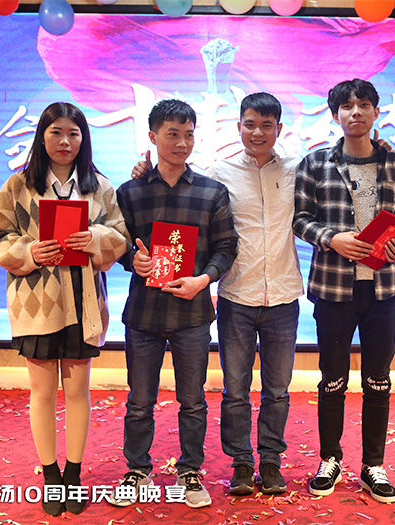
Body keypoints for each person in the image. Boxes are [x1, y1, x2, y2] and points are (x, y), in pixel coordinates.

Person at [131, 93, 302, 495]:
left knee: (278, 391)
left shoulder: (298, 169)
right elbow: (171, 196)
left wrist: (377, 146)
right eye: (249, 124)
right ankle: (241, 462)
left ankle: (271, 461)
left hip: (283, 295)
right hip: (236, 295)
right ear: (238, 127)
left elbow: (335, 172)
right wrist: (143, 172)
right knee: (235, 391)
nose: (257, 132)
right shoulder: (219, 173)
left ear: (279, 129)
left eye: (266, 125)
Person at [0, 102, 131, 516]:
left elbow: (120, 236)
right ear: (42, 136)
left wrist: (95, 239)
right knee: (43, 392)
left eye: (73, 133)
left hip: (84, 303)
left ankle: (74, 474)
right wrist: (30, 250)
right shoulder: (18, 185)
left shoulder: (99, 187)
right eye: (56, 133)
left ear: (84, 138)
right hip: (36, 303)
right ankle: (51, 475)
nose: (65, 141)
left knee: (79, 391)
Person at [113, 99, 238, 509]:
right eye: (172, 134)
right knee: (139, 401)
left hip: (192, 313)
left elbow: (226, 246)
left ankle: (190, 471)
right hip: (144, 313)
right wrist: (132, 259)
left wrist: (204, 279)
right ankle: (137, 470)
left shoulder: (211, 191)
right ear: (153, 137)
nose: (182, 143)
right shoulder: (129, 192)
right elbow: (115, 243)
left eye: (188, 135)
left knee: (193, 401)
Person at [293, 78, 395, 504]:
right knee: (333, 379)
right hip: (333, 288)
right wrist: (332, 239)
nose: (355, 112)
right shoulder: (315, 163)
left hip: (382, 290)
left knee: (378, 379)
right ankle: (330, 459)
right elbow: (299, 219)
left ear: (376, 112)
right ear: (335, 115)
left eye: (364, 104)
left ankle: (373, 465)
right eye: (347, 106)